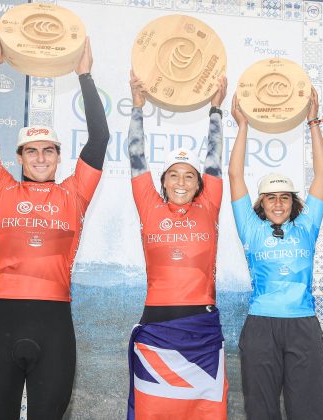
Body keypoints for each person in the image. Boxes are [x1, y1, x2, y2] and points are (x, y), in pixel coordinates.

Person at [0, 24, 109, 420]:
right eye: (32, 151)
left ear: (60, 156)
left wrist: (85, 74)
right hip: (2, 322)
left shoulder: (74, 193)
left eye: (49, 150)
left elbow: (99, 138)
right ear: (20, 156)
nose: (41, 158)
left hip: (54, 325)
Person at [125, 71, 228, 419]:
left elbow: (214, 157)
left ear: (200, 183)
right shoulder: (149, 205)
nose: (182, 182)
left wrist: (216, 109)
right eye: (174, 174)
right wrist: (137, 107)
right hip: (157, 329)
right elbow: (136, 156)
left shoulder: (209, 204)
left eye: (189, 175)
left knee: (205, 414)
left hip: (201, 331)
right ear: (163, 181)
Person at [228, 88, 323, 420]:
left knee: (308, 410)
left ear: (294, 203)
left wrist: (313, 122)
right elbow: (235, 175)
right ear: (260, 204)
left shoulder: (308, 225)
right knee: (261, 410)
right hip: (261, 326)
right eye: (270, 198)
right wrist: (242, 125)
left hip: (302, 325)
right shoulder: (251, 228)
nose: (277, 203)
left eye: (284, 197)